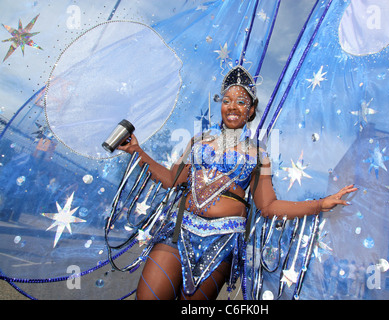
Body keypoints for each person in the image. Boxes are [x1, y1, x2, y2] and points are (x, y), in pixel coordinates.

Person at [118, 65, 357, 300]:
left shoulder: (258, 155)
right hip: (179, 231)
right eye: (227, 100)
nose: (232, 106)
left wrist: (319, 204)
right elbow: (172, 179)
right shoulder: (198, 141)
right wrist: (136, 150)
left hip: (222, 242)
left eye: (241, 102)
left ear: (251, 110)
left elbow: (268, 207)